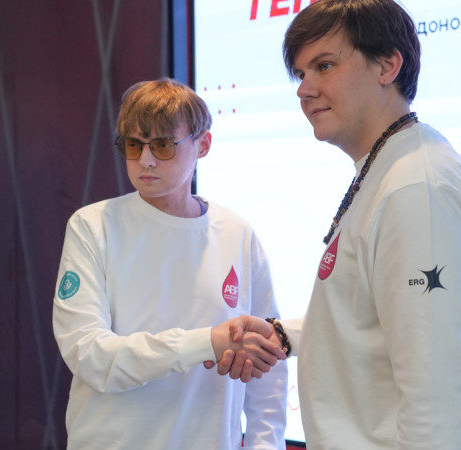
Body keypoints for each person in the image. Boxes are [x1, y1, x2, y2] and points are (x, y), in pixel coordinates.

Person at [211, 1, 461, 448]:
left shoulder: (413, 187)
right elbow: (377, 317)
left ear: (387, 66)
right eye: (300, 73)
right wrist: (284, 335)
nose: (304, 89)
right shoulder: (392, 167)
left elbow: (438, 405)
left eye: (324, 66)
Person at [52, 77, 287, 449]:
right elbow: (90, 356)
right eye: (133, 145)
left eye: (162, 145)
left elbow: (269, 359)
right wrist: (205, 342)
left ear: (203, 145)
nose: (145, 160)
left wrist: (264, 444)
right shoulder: (94, 226)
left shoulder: (236, 232)